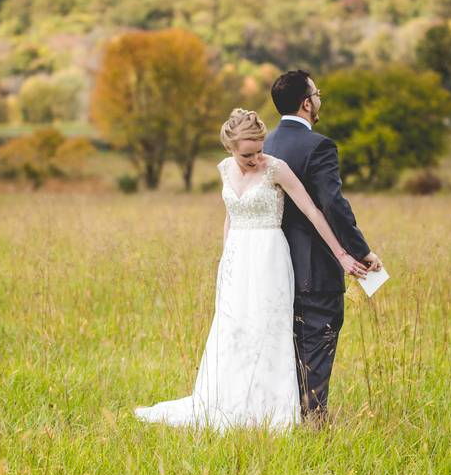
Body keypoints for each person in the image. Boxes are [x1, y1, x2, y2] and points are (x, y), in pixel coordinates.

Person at [134, 108, 368, 431]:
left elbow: (313, 212)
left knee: (267, 329)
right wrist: (225, 259)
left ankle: (269, 408)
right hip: (236, 259)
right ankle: (229, 402)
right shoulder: (225, 170)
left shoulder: (276, 169)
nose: (256, 158)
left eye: (260, 150)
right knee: (234, 329)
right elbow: (230, 215)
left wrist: (342, 254)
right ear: (230, 148)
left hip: (269, 258)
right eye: (248, 154)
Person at [264, 70, 382, 426]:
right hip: (315, 265)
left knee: (287, 344)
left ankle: (285, 417)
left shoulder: (266, 143)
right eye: (317, 94)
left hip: (274, 263)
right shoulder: (320, 146)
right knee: (317, 340)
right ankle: (314, 422)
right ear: (306, 102)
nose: (319, 99)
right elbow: (333, 204)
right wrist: (361, 251)